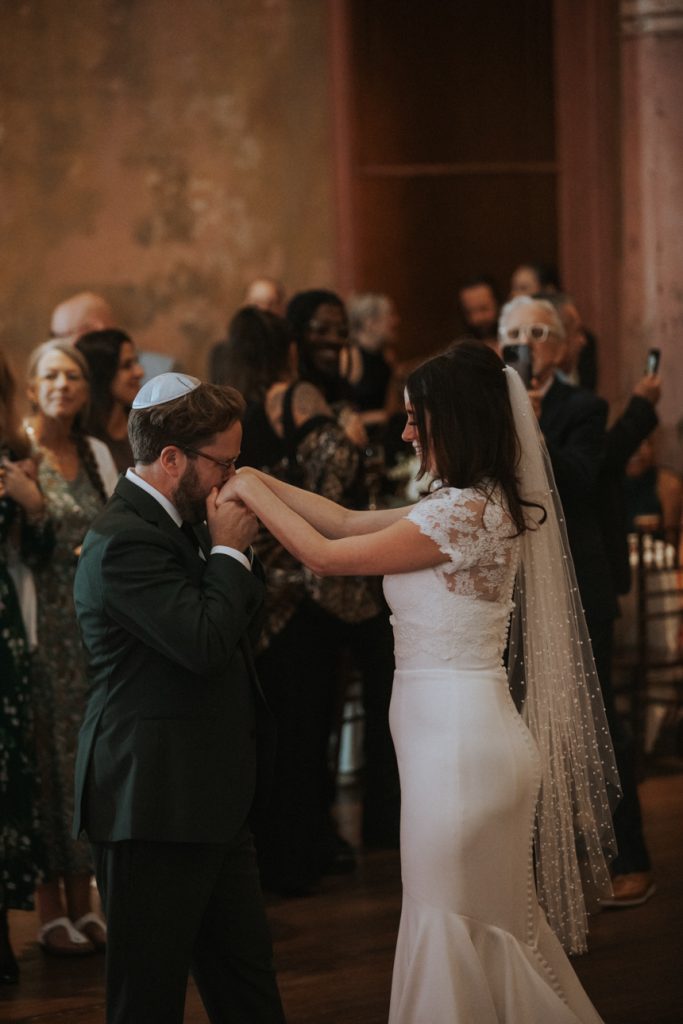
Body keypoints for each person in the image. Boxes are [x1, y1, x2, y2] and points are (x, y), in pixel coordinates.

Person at [218, 342, 620, 1023]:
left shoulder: (460, 515)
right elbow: (341, 519)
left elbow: (329, 554)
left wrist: (248, 489)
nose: (404, 433)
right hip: (458, 746)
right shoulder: (468, 503)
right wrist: (255, 473)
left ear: (455, 420)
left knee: (451, 921)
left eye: (415, 419)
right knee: (474, 926)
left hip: (462, 753)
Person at [72, 373, 286, 1024]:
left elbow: (237, 627)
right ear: (172, 459)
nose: (230, 478)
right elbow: (200, 642)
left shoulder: (183, 517)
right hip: (152, 805)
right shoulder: (123, 541)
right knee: (147, 1001)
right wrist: (227, 551)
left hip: (209, 796)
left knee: (248, 992)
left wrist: (231, 554)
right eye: (222, 462)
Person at [213, 307, 399, 895]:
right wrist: (348, 432)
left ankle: (274, 855)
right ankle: (301, 855)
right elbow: (338, 473)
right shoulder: (298, 397)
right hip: (301, 589)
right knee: (303, 731)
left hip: (248, 580)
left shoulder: (230, 411)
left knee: (269, 731)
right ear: (289, 349)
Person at [499, 295, 657, 908]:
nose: (528, 343)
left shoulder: (582, 408)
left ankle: (630, 855)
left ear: (561, 348)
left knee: (600, 722)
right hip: (514, 585)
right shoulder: (488, 407)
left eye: (540, 333)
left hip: (579, 584)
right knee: (519, 722)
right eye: (515, 333)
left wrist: (533, 429)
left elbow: (583, 479)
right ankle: (538, 861)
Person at [24, 340, 118, 956]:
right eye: (51, 375)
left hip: (91, 631)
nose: (63, 384)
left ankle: (86, 901)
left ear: (87, 389)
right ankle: (50, 908)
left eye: (73, 375)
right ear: (32, 387)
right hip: (40, 630)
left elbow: (116, 524)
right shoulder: (18, 455)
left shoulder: (99, 454)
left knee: (88, 762)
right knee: (44, 762)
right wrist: (32, 508)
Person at [0, 350, 54, 984]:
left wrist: (32, 502)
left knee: (6, 769)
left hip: (2, 625)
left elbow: (36, 552)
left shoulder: (14, 447)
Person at [75, 328, 144, 471]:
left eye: (136, 362)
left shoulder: (146, 425)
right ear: (102, 373)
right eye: (127, 365)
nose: (139, 372)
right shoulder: (80, 438)